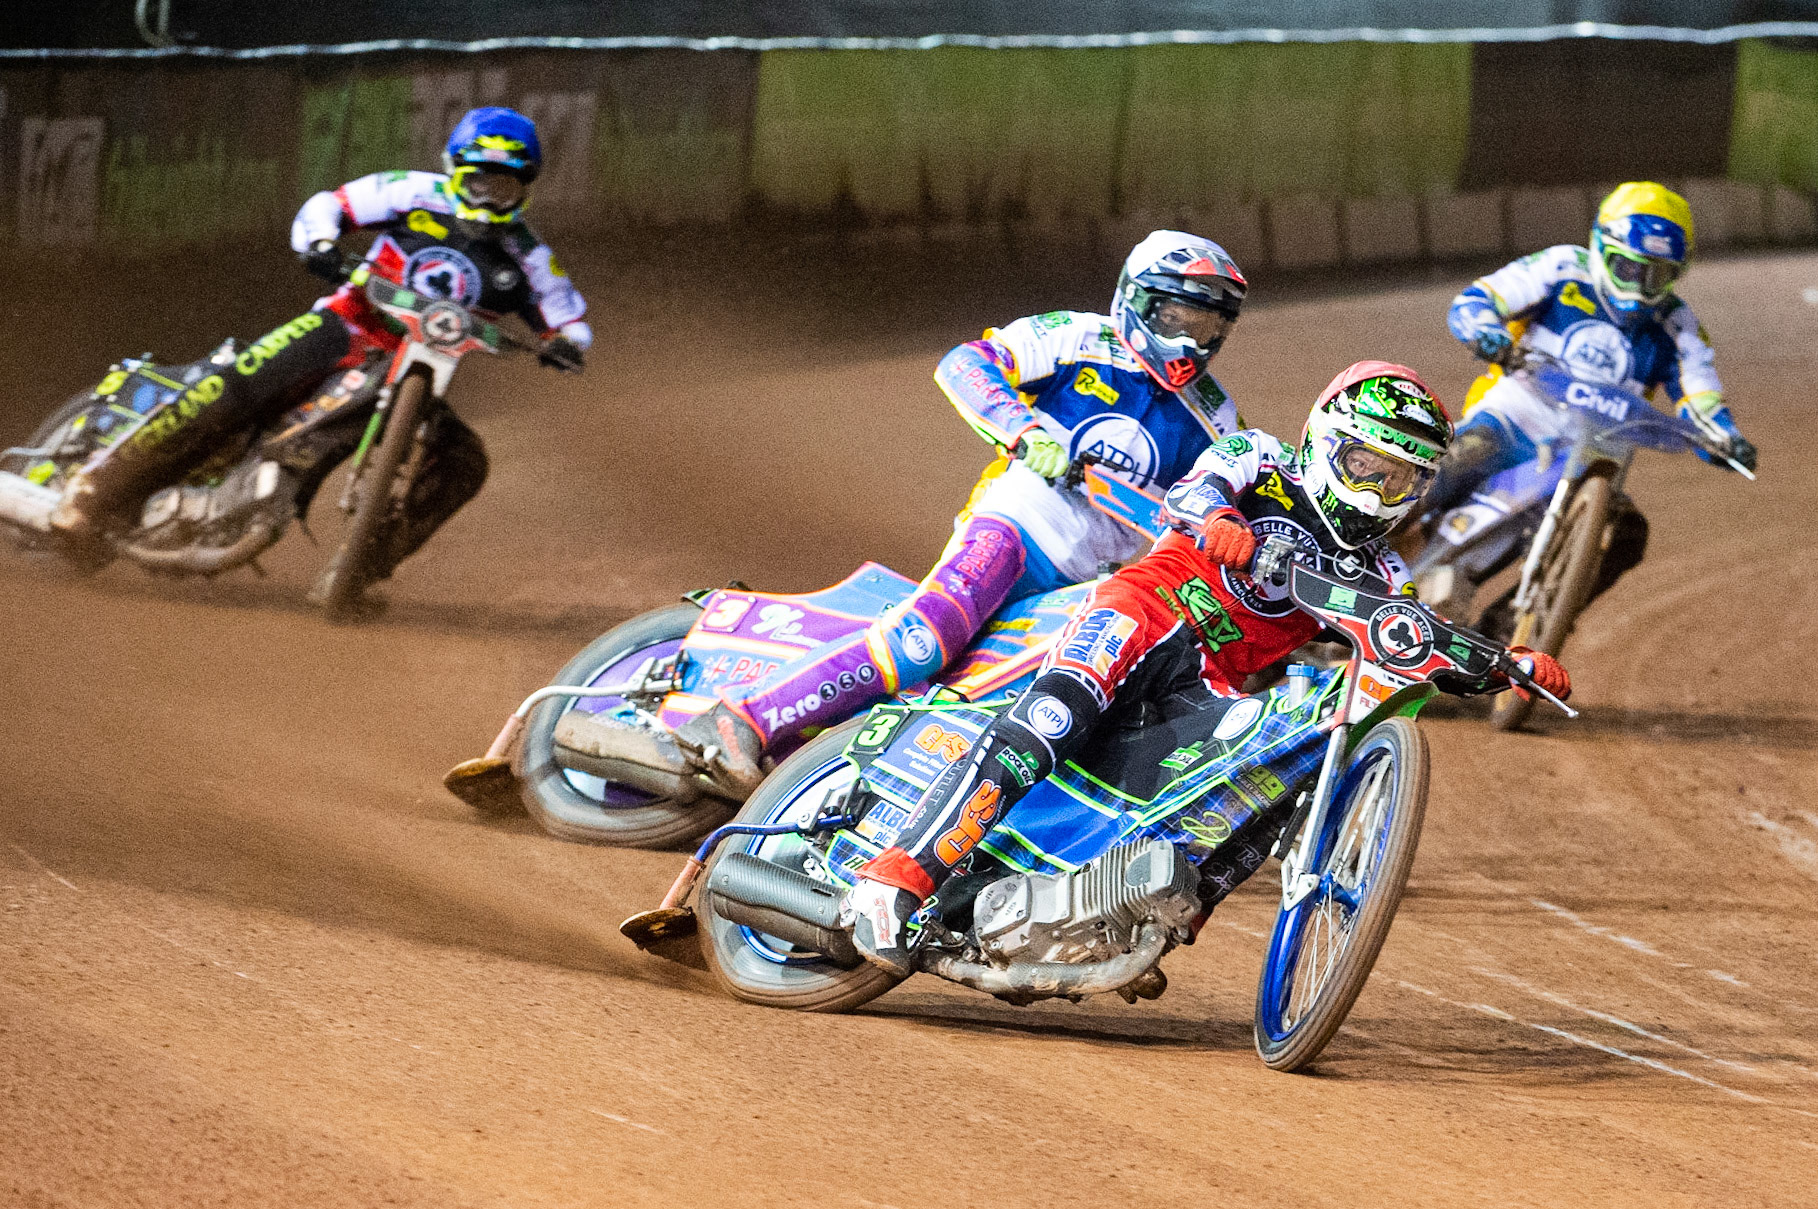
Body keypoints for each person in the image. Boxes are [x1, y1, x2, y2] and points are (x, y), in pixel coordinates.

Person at [839, 361, 1573, 974]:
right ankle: (895, 878)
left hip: (1210, 680)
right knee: (1050, 720)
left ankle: (1142, 918)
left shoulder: (1380, 568)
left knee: (1264, 782)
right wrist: (1221, 521)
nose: (1378, 492)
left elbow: (1412, 635)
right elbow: (1195, 490)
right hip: (1146, 608)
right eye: (1364, 467)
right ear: (1325, 441)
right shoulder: (1264, 460)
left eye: (1399, 480)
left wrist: (1507, 664)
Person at [564, 231, 1249, 798]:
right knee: (925, 641)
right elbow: (967, 363)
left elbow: (1242, 499)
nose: (1191, 340)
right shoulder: (1076, 337)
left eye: (1208, 325)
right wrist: (1021, 429)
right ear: (1138, 300)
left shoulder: (1214, 417)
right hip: (1014, 526)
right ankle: (737, 719)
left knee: (1012, 701)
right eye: (1177, 319)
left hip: (1089, 583)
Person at [48, 106, 591, 579]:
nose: (492, 195)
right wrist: (322, 244)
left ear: (527, 186)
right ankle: (98, 490)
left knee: (465, 463)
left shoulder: (527, 255)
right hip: (347, 324)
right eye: (481, 181)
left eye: (507, 185)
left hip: (421, 367)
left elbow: (566, 311)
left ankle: (363, 569)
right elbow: (328, 205)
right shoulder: (411, 191)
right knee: (241, 381)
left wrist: (566, 344)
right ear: (458, 172)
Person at [1419, 181, 1755, 621]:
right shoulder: (1562, 267)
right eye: (1628, 268)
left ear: (1678, 273)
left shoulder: (1678, 324)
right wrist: (1486, 330)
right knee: (1458, 456)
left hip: (1597, 452)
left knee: (1625, 536)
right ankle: (1361, 540)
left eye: (1657, 275)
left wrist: (1724, 436)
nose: (1639, 287)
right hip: (1516, 413)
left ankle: (1505, 640)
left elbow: (1701, 392)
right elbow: (1480, 298)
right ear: (1600, 246)